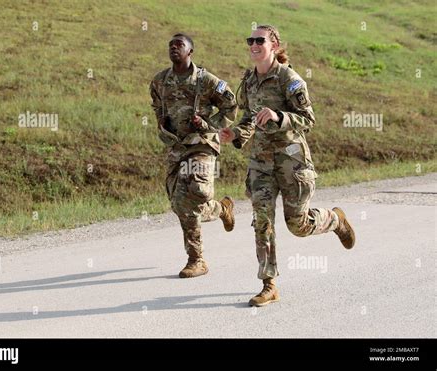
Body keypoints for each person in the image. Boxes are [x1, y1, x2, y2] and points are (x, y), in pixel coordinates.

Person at [220, 25, 356, 306]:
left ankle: (334, 220)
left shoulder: (288, 78)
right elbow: (249, 117)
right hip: (260, 163)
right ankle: (268, 284)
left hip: (291, 161)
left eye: (260, 40)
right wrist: (236, 133)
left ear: (274, 45)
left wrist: (279, 116)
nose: (254, 45)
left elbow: (308, 118)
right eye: (251, 40)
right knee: (262, 221)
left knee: (298, 225)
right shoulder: (248, 80)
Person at [150, 33, 238, 278]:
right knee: (179, 203)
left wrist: (209, 124)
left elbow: (230, 106)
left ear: (191, 51)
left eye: (179, 45)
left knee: (198, 192)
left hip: (201, 144)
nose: (174, 48)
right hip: (176, 146)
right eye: (171, 45)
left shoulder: (207, 81)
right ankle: (221, 210)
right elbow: (156, 104)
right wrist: (161, 121)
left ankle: (196, 259)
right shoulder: (159, 81)